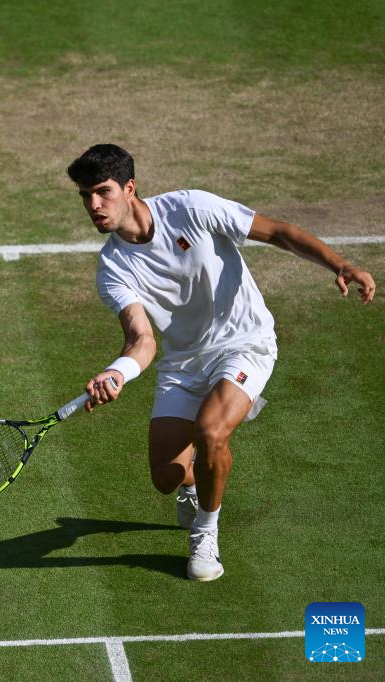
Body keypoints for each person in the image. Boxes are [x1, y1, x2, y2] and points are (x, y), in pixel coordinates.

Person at [66, 144, 376, 581]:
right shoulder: (112, 268)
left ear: (130, 188)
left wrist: (338, 264)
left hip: (244, 343)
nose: (93, 205)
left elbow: (277, 232)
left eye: (103, 192)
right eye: (85, 196)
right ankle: (195, 483)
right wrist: (118, 372)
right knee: (166, 477)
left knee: (210, 431)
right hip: (183, 362)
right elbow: (142, 340)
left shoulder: (192, 208)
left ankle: (205, 533)